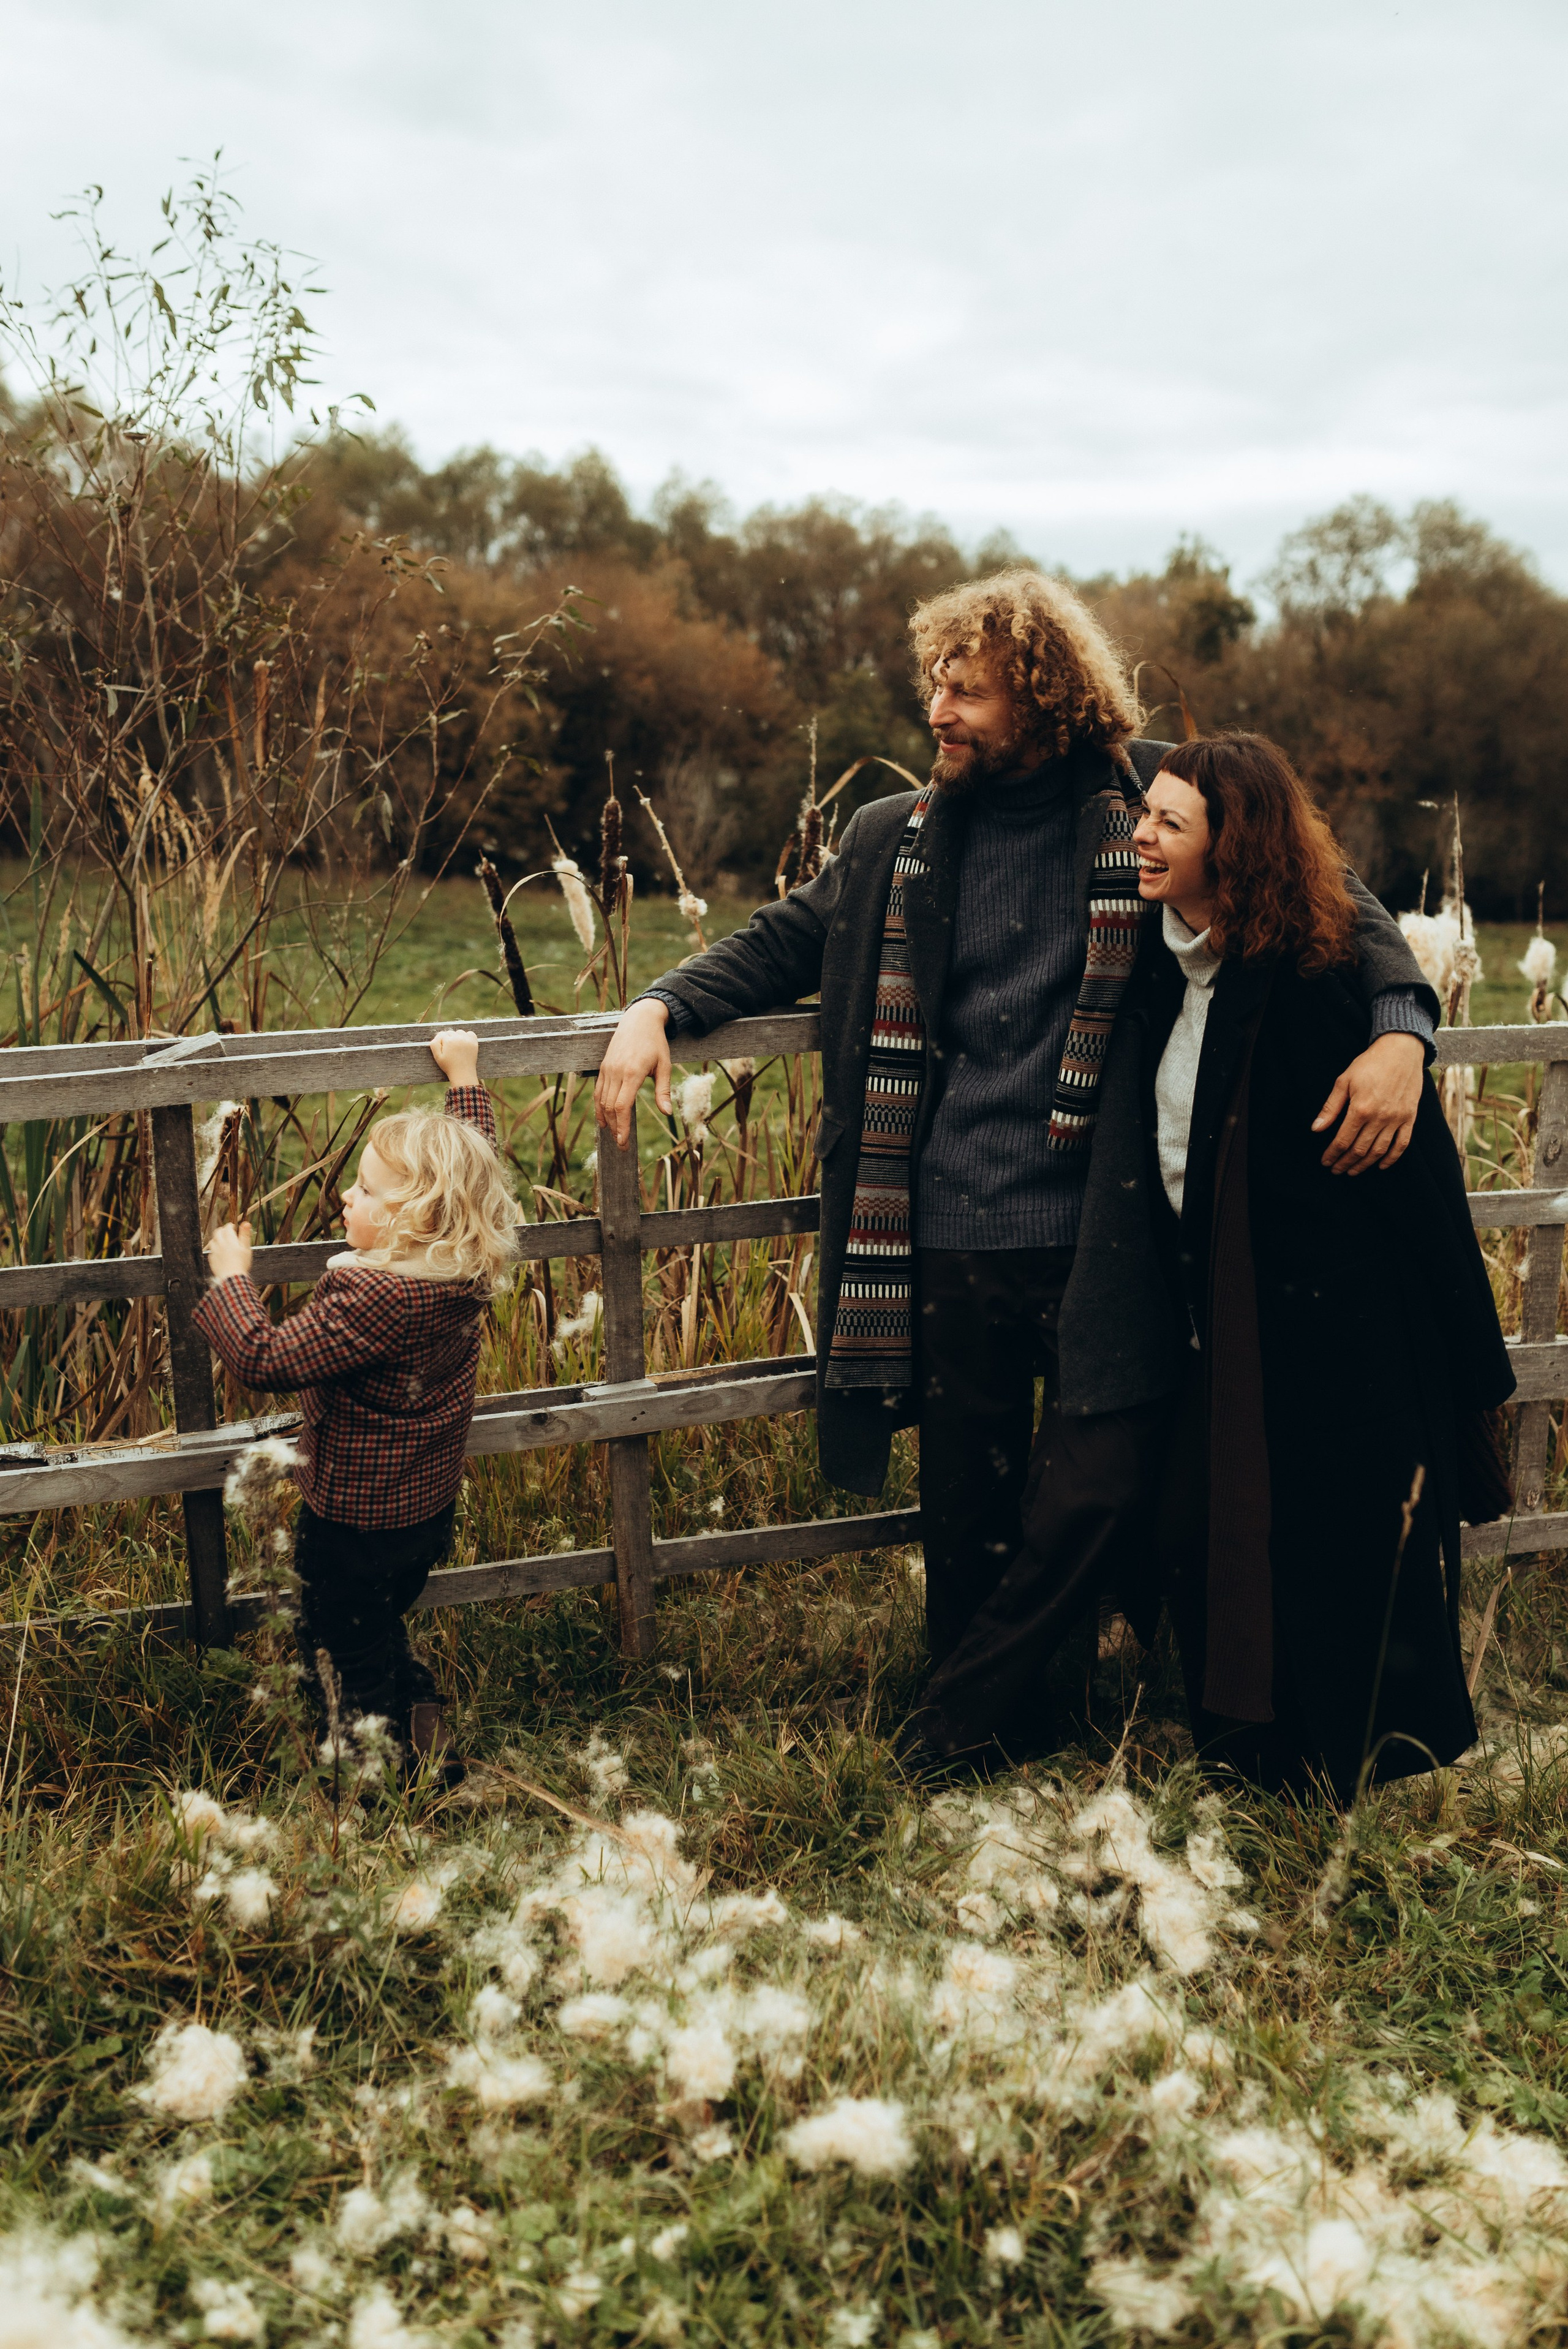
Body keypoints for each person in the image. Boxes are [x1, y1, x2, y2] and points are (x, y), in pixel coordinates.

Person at [594, 570, 1436, 1701]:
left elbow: (1334, 895)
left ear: (1043, 698)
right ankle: (990, 1722)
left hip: (1112, 1224)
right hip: (945, 1225)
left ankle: (1121, 1694)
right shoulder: (896, 834)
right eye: (935, 685)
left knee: (1108, 1484)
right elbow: (785, 937)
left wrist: (1401, 1033)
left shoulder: (1157, 801)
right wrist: (658, 1006)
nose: (936, 712)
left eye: (967, 691)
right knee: (969, 1503)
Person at [912, 735, 1514, 1796]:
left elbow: (1415, 1178)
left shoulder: (1316, 984)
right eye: (1144, 814)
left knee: (1332, 1543)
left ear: (1234, 848)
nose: (1138, 834)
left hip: (1333, 1327)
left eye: (1168, 825)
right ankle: (1241, 1753)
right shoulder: (1150, 963)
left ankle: (1333, 1774)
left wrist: (1405, 1036)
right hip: (1206, 1316)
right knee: (1197, 1526)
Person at [194, 1030, 516, 1780]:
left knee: (338, 1640)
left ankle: (381, 1777)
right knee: (377, 1626)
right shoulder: (460, 1266)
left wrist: (232, 1278)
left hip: (352, 1523)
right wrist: (464, 1079)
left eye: (368, 1192)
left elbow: (262, 1358)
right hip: (424, 1513)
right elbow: (475, 1164)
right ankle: (424, 1724)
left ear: (419, 1216)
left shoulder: (375, 1295)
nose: (347, 1194)